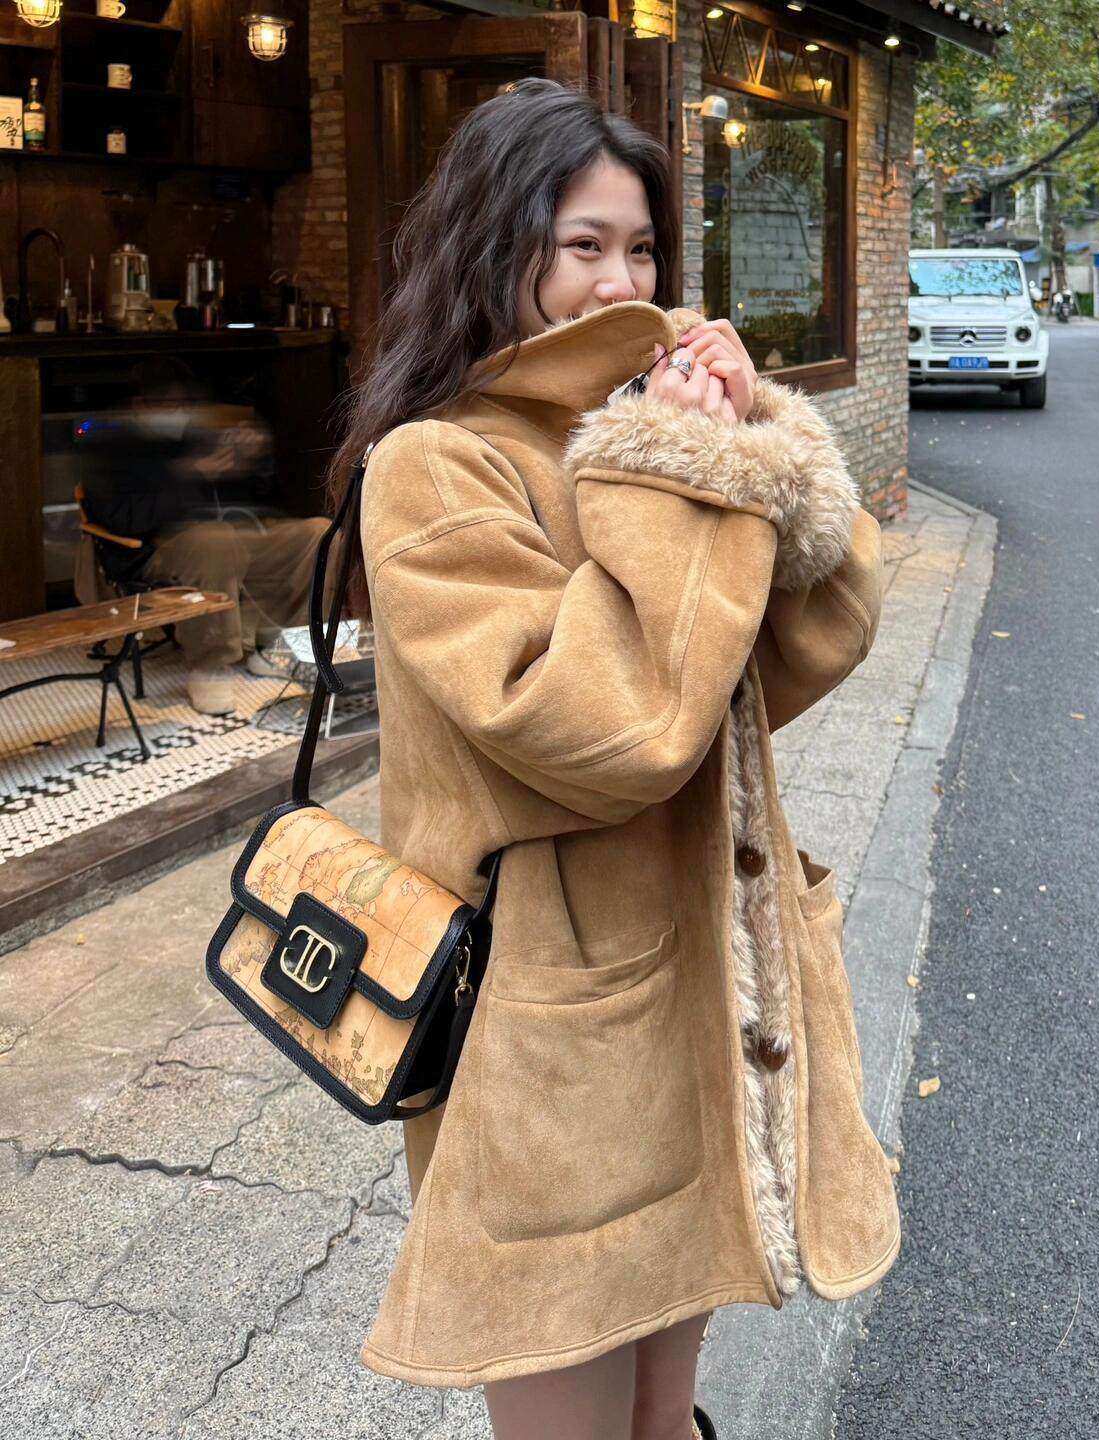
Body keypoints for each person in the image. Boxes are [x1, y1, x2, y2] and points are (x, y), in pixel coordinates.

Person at [330, 79, 898, 1440]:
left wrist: (759, 454)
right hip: (547, 1028)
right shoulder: (436, 465)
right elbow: (615, 729)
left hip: (697, 976)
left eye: (640, 247)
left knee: (666, 1413)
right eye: (581, 244)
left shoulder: (639, 428)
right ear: (494, 246)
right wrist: (672, 470)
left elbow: (798, 650)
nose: (621, 282)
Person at [78, 357, 329, 715]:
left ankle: (279, 647)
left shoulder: (194, 436)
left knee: (316, 533)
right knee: (215, 540)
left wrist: (250, 458)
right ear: (140, 404)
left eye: (184, 403)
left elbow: (256, 500)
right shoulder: (111, 445)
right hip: (152, 548)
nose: (179, 412)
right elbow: (124, 519)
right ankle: (212, 666)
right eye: (169, 405)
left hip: (231, 535)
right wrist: (187, 474)